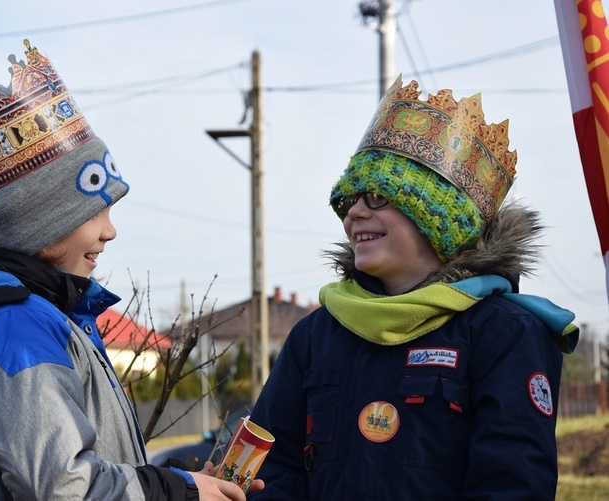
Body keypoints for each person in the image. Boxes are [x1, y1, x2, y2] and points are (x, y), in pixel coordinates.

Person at [0, 40, 262, 501]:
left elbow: (84, 465)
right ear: (41, 220)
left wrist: (190, 483)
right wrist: (176, 493)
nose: (110, 231)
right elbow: (65, 487)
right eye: (95, 211)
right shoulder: (12, 328)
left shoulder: (44, 317)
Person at [247, 76, 580, 500]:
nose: (354, 215)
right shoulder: (314, 336)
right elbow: (270, 471)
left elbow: (512, 485)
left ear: (437, 218)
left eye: (377, 197)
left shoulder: (504, 333)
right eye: (349, 202)